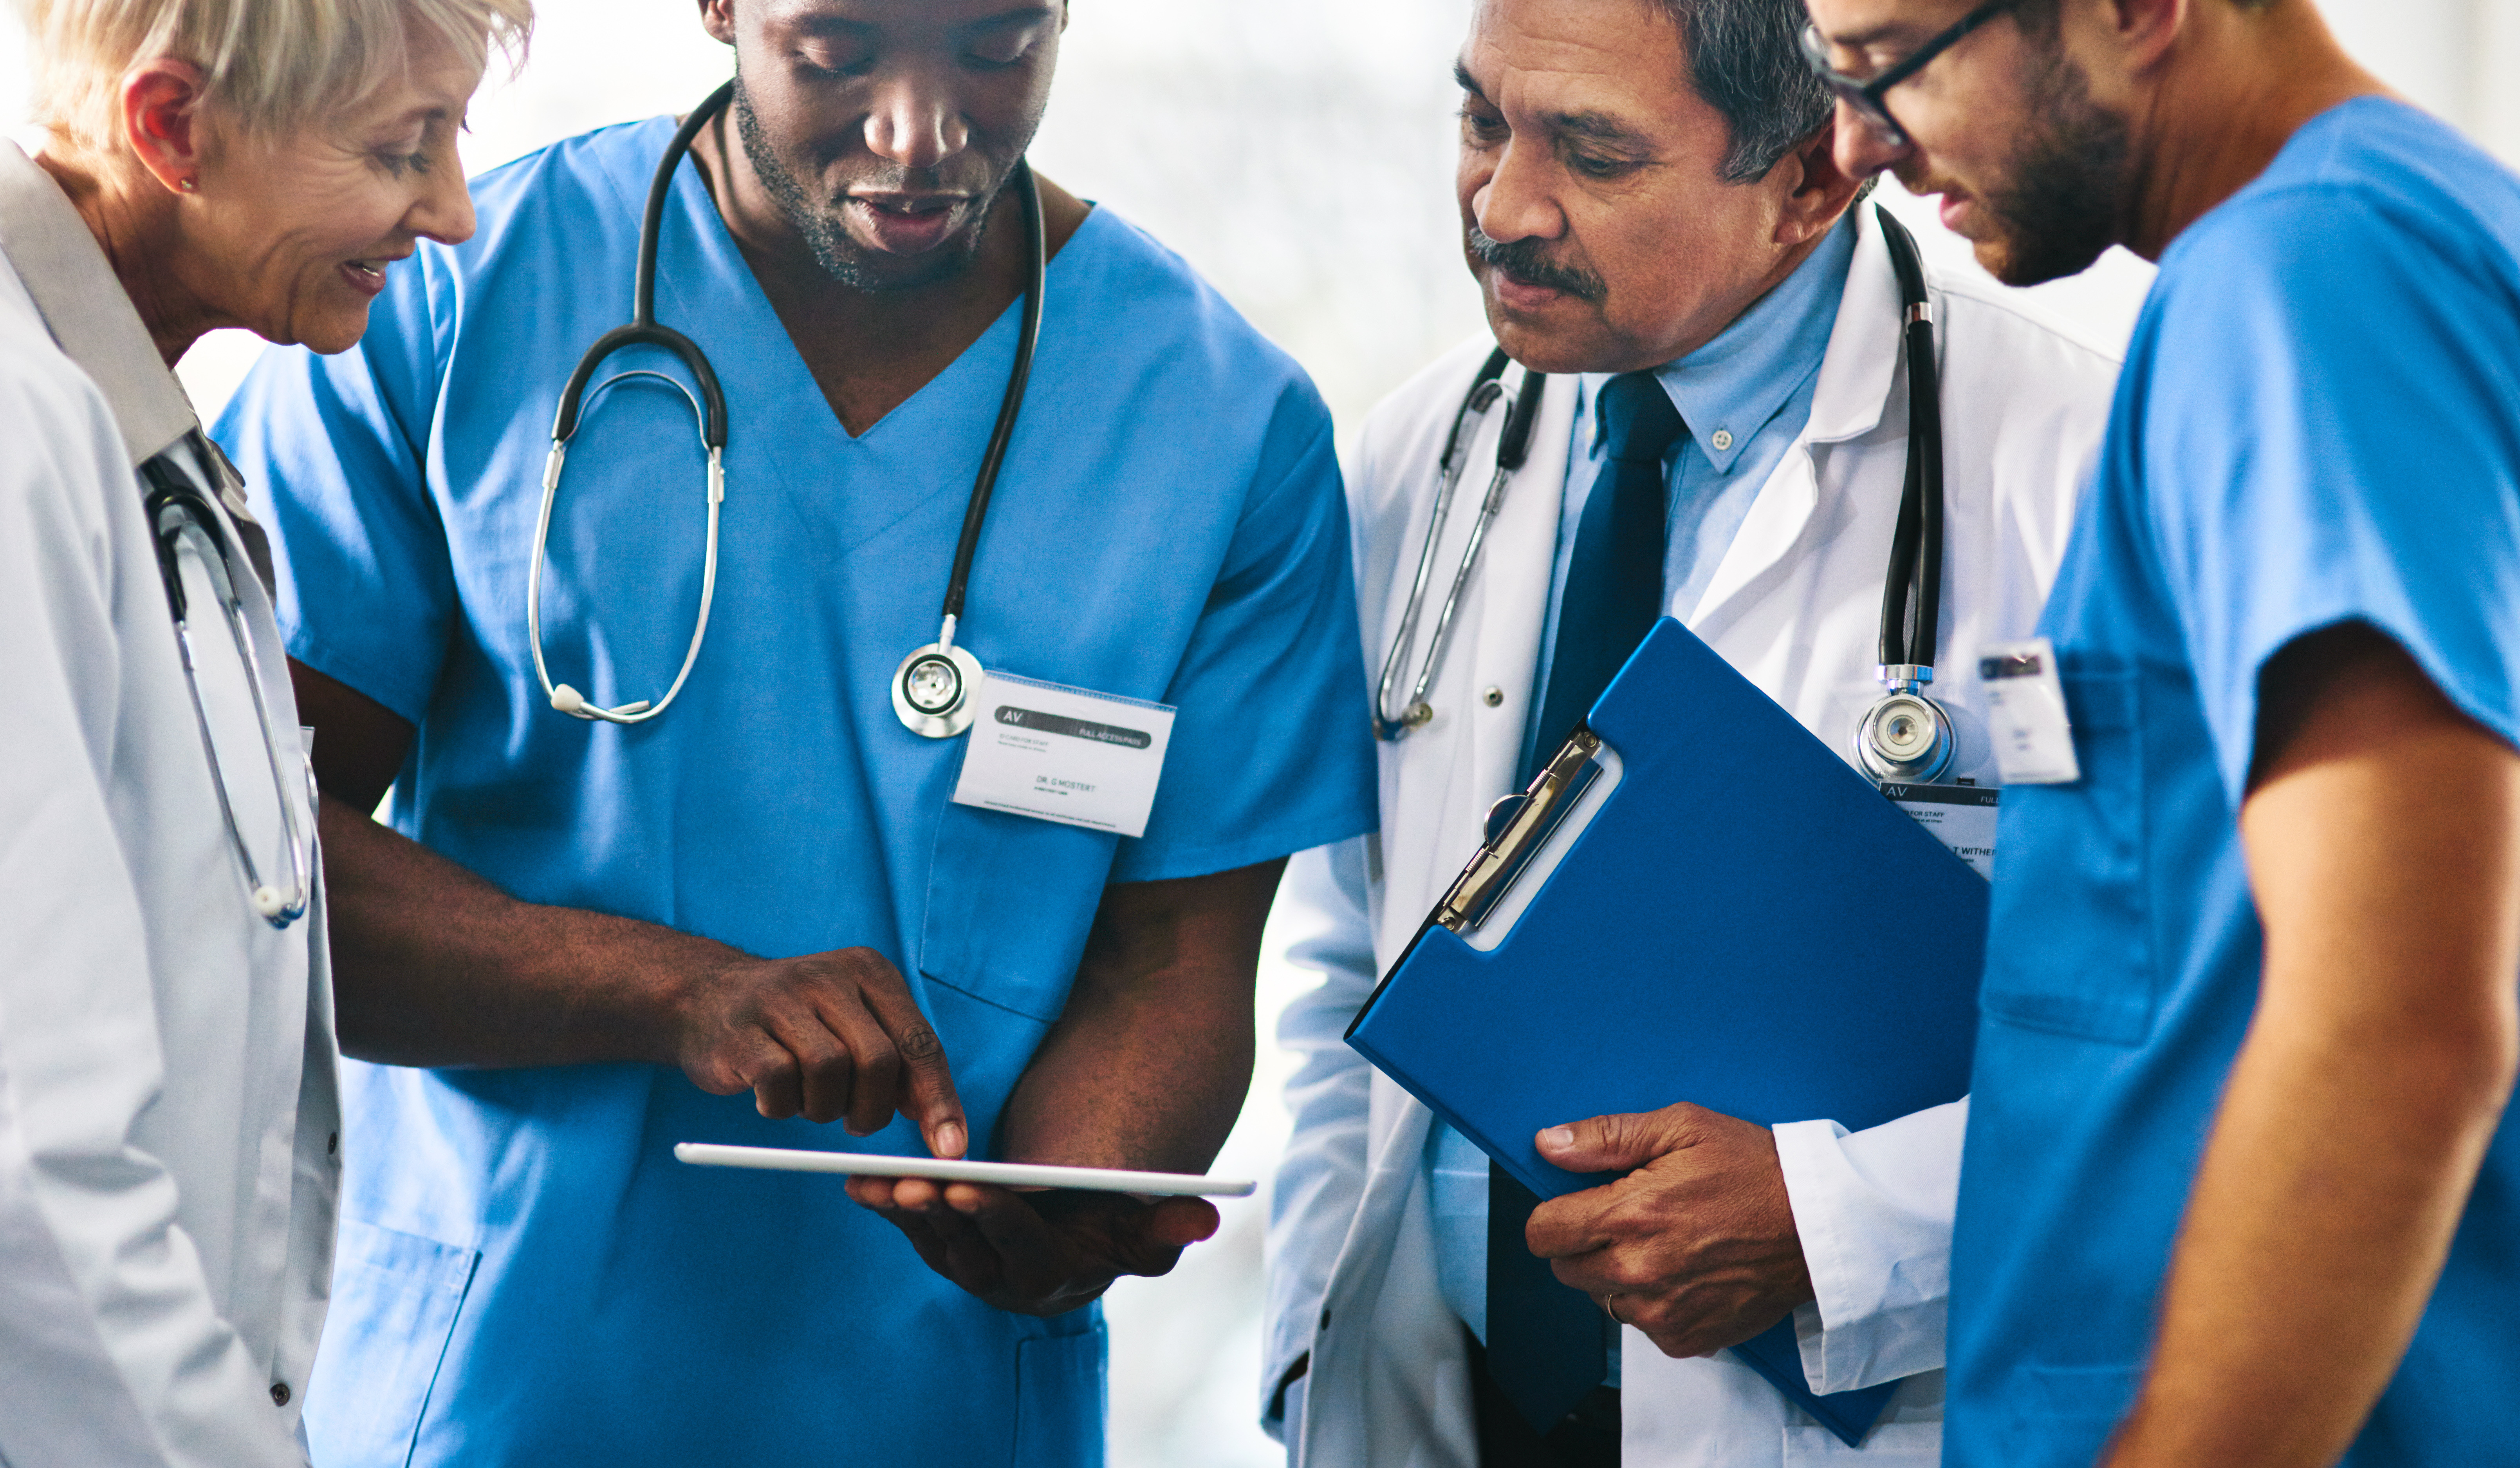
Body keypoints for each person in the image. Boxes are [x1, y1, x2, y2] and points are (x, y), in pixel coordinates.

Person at [211, 0, 1379, 1462]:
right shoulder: (443, 294)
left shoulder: (1217, 419)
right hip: (498, 1370)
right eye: (838, 49)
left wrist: (1070, 1194)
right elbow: (241, 865)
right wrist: (672, 988)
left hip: (942, 1391)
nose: (921, 132)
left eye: (998, 48)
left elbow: (1179, 963)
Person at [1262, 0, 2123, 1462]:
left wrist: (1843, 1226)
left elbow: (2205, 1025)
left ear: (1813, 175)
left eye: (1590, 153)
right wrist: (1310, 1344)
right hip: (1452, 1409)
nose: (1501, 204)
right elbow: (1351, 954)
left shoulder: (2072, 474)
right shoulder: (1412, 463)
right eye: (1481, 120)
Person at [1796, 0, 2520, 1463]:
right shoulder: (2394, 236)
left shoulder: (2313, 279)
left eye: (1885, 63)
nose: (1855, 141)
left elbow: (2400, 1022)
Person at [0, 1, 524, 1464]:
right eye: (398, 150)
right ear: (171, 127)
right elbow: (31, 1150)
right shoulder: (15, 437)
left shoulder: (132, 429)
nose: (453, 211)